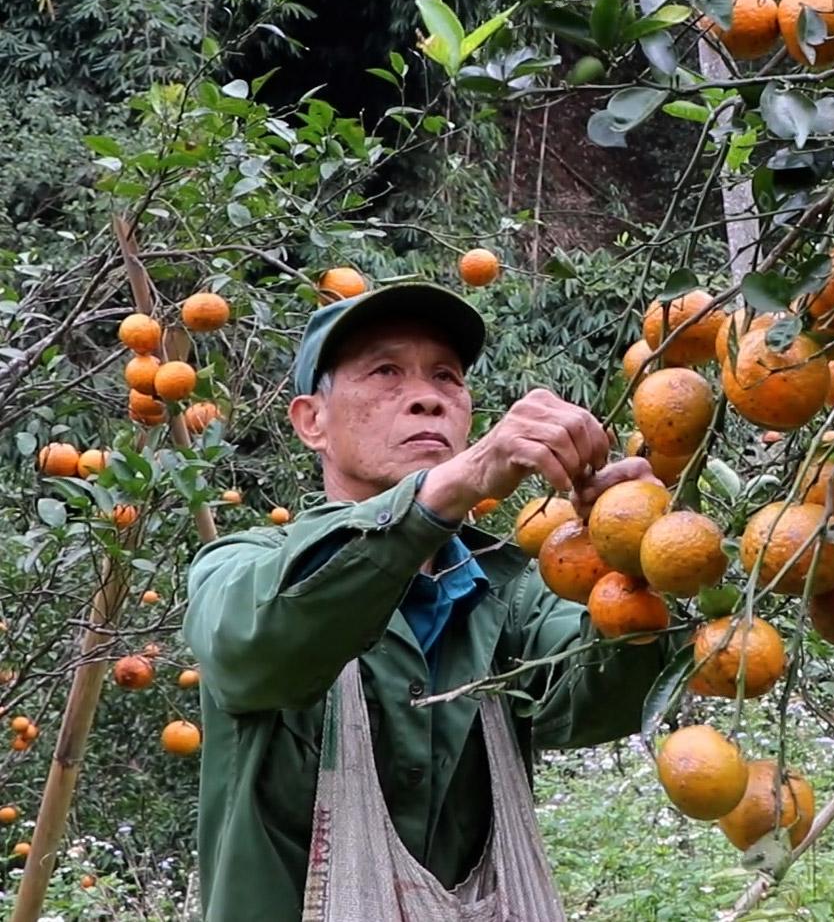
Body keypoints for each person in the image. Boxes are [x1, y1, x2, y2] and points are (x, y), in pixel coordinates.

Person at [185, 283, 666, 920]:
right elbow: (260, 644)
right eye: (385, 372)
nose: (426, 397)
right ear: (311, 421)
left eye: (447, 377)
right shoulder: (241, 567)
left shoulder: (512, 592)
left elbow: (610, 694)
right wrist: (445, 493)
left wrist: (636, 557)